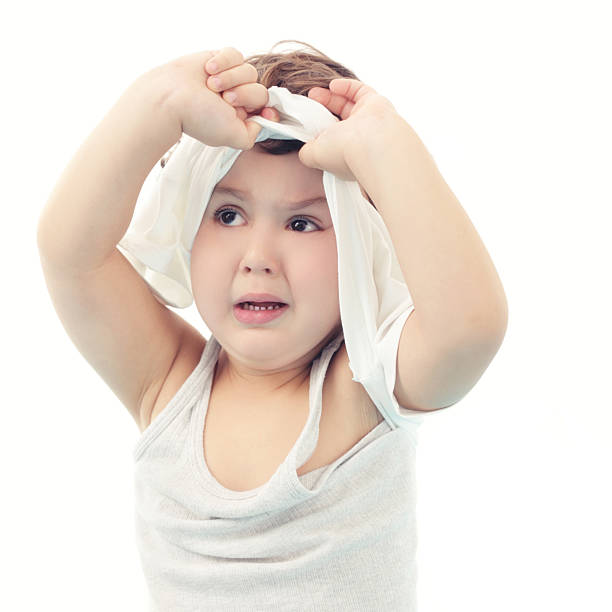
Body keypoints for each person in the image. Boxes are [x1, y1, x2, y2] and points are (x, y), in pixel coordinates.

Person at [37, 40, 507, 611]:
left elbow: (469, 328)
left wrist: (387, 150)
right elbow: (70, 254)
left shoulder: (364, 389)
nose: (257, 256)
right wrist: (158, 104)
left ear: (361, 247)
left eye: (303, 223)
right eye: (229, 214)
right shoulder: (167, 383)